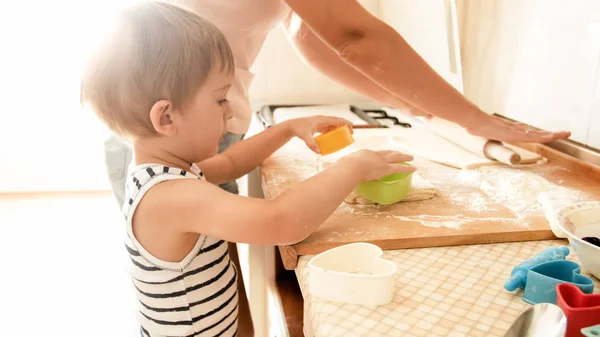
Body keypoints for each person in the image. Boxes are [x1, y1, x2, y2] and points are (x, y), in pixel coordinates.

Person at [81, 2, 416, 336]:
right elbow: (280, 221)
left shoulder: (165, 174)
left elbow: (230, 163)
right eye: (220, 98)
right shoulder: (169, 197)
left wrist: (288, 129)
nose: (231, 110)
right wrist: (351, 167)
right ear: (166, 117)